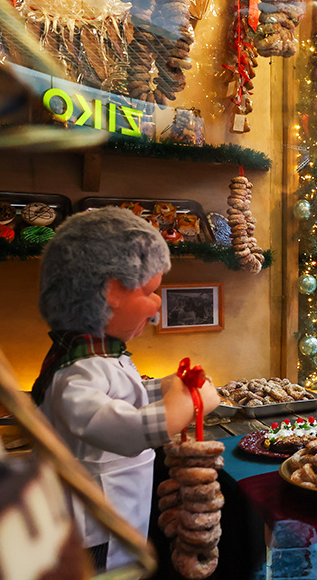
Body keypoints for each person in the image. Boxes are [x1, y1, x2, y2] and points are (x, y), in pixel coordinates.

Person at [31, 207, 220, 571]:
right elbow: (120, 428)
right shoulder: (77, 371)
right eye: (150, 291)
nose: (157, 306)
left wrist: (167, 386)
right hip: (89, 530)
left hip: (116, 515)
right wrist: (189, 405)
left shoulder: (101, 358)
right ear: (111, 291)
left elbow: (125, 396)